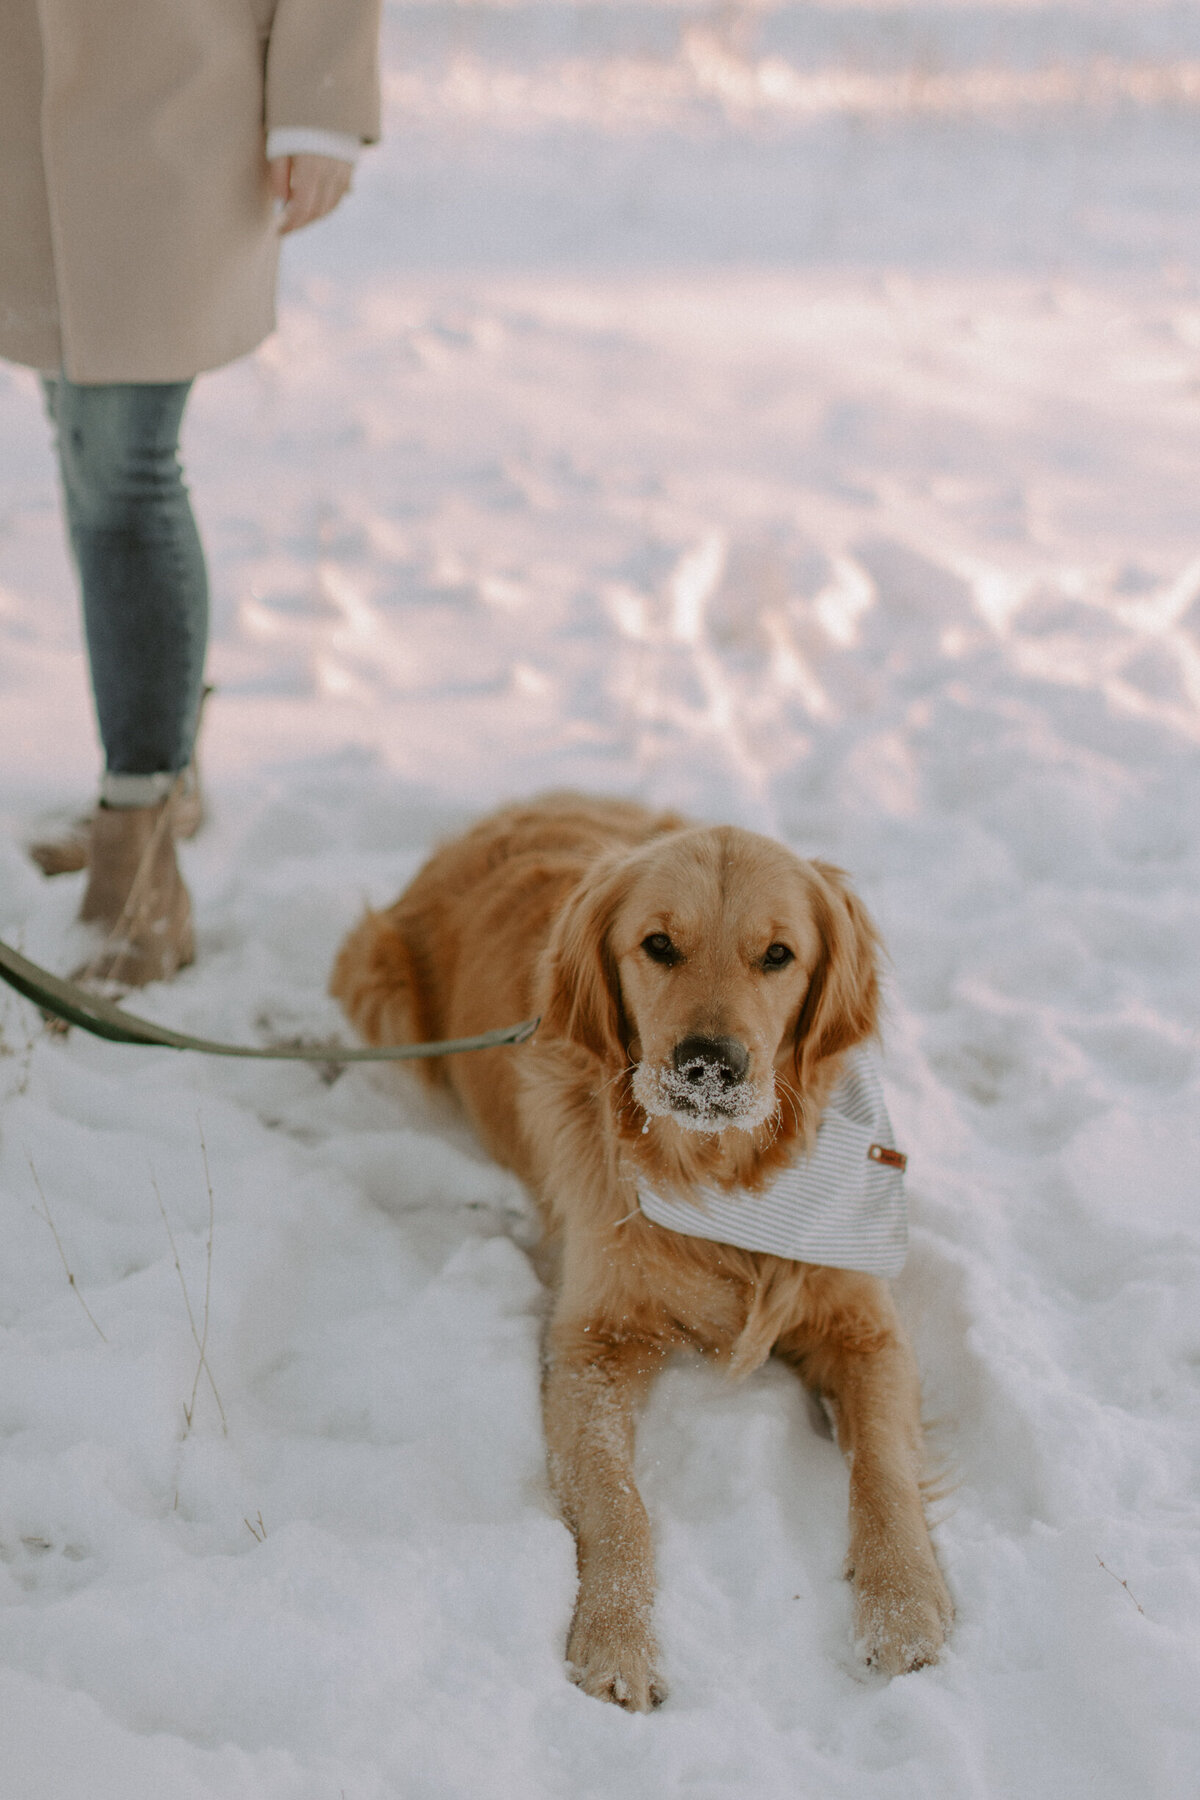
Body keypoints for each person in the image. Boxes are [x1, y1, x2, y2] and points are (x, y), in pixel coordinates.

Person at [0, 0, 382, 985]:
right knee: (86, 450)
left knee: (124, 468)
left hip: (180, 96)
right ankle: (161, 776)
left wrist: (319, 100)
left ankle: (142, 858)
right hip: (19, 99)